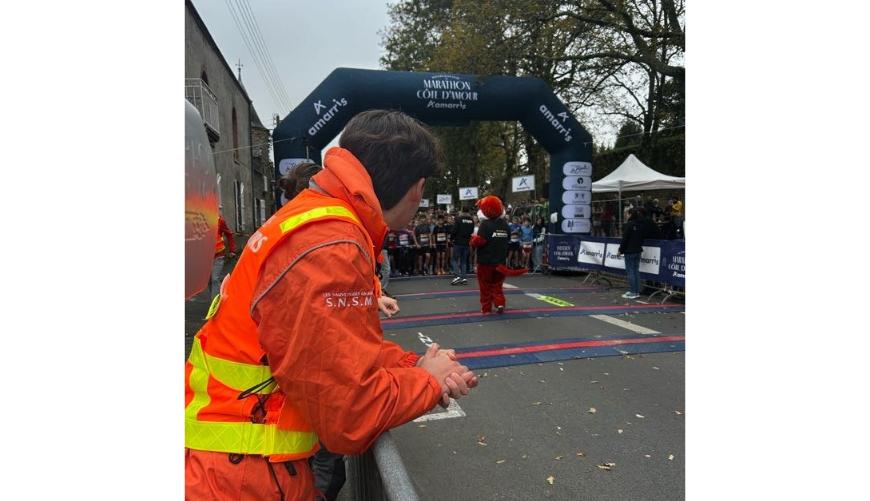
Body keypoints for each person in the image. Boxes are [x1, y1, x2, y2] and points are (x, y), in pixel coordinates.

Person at [185, 109, 478, 500]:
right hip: (243, 476)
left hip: (237, 462)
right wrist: (429, 380)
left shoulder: (315, 219)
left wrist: (414, 365)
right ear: (417, 188)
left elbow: (335, 348)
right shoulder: (332, 243)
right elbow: (350, 415)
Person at [470, 196, 525, 314]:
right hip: (500, 261)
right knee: (497, 285)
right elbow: (508, 239)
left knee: (485, 286)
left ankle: (486, 308)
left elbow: (480, 241)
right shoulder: (505, 225)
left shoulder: (485, 225)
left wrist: (472, 240)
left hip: (486, 262)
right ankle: (499, 303)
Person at [618, 207, 651, 299]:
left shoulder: (629, 225)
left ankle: (633, 292)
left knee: (630, 272)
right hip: (638, 250)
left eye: (627, 214)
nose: (626, 215)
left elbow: (625, 239)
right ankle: (636, 291)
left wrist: (620, 250)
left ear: (630, 215)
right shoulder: (641, 224)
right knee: (636, 271)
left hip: (630, 251)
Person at [208, 209, 236, 299]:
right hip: (206, 258)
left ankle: (217, 303)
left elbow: (229, 235)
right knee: (209, 281)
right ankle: (216, 300)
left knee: (214, 279)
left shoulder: (220, 221)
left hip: (219, 255)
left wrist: (232, 250)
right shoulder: (201, 223)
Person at [450, 208, 475, 285]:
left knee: (454, 260)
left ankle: (457, 276)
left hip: (458, 242)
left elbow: (454, 230)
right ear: (468, 212)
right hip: (466, 243)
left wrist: (451, 238)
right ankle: (464, 278)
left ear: (462, 211)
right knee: (463, 261)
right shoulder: (471, 220)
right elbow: (472, 231)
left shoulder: (459, 219)